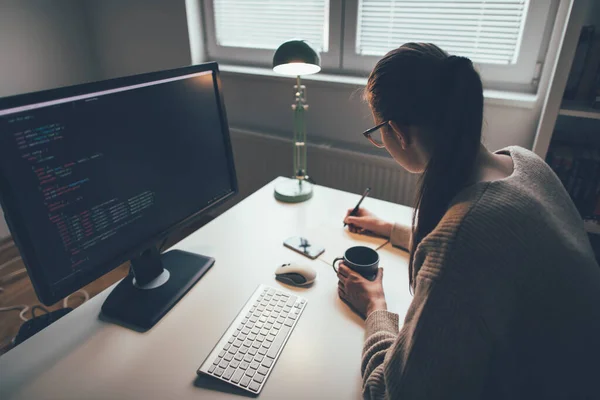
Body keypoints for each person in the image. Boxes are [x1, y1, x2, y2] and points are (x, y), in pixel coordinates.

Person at [336, 42, 600, 399]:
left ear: (398, 131)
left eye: (377, 132)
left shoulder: (463, 239)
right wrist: (387, 229)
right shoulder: (524, 163)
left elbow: (390, 393)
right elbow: (490, 247)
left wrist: (374, 306)